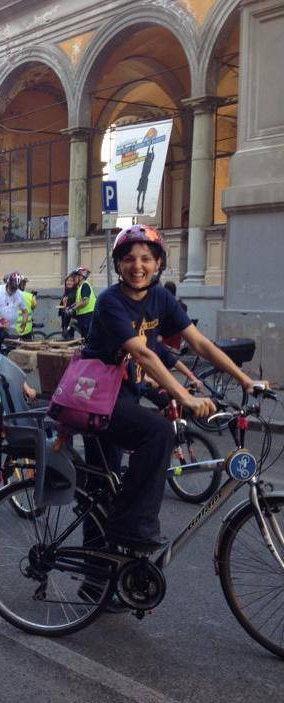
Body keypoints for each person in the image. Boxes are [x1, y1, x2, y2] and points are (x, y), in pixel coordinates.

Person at [81, 224, 266, 551]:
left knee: (109, 482)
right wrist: (186, 396)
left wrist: (245, 380)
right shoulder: (110, 301)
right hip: (97, 397)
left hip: (126, 394)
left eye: (146, 259)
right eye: (129, 259)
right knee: (155, 436)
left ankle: (119, 548)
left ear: (158, 264)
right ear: (118, 264)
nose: (137, 266)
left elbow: (201, 345)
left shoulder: (160, 297)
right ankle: (128, 532)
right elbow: (142, 353)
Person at [69, 267, 96, 338]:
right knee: (84, 337)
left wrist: (74, 308)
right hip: (83, 315)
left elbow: (85, 301)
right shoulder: (80, 287)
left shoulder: (85, 285)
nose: (73, 279)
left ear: (81, 277)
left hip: (88, 315)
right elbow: (80, 301)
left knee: (87, 337)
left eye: (75, 277)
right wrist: (72, 306)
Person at [59, 274, 78, 338]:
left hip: (71, 318)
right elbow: (64, 305)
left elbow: (75, 304)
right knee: (65, 336)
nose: (68, 282)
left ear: (74, 283)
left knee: (69, 336)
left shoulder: (75, 292)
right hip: (64, 317)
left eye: (71, 281)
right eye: (67, 281)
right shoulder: (66, 292)